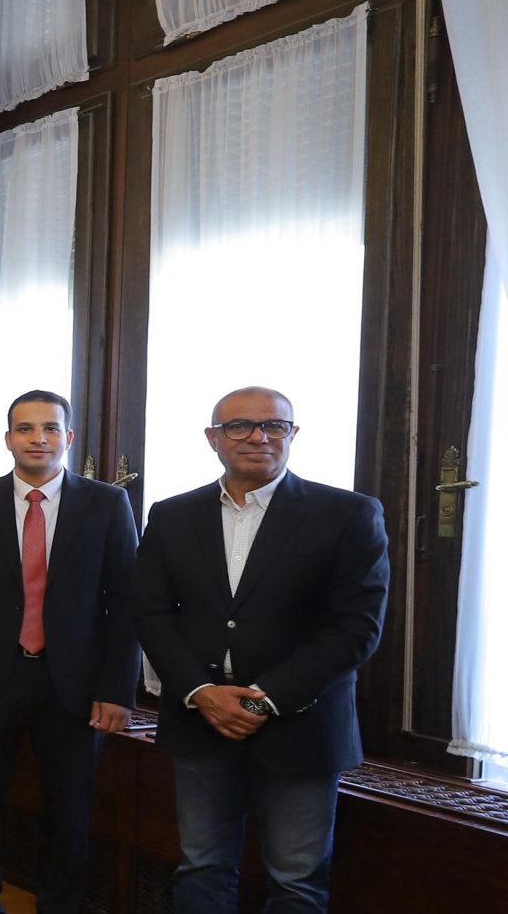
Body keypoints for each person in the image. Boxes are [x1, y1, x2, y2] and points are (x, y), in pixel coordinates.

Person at [134, 387, 388, 914]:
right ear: (213, 438)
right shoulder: (173, 514)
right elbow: (151, 615)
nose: (258, 436)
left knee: (297, 879)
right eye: (239, 426)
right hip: (200, 720)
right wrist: (201, 692)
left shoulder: (347, 514)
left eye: (274, 425)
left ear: (293, 434)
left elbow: (356, 627)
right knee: (201, 865)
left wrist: (263, 698)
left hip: (303, 723)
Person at [0, 389, 139, 914]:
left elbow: (127, 600)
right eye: (25, 428)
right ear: (8, 439)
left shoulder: (106, 504)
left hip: (74, 684)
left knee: (69, 810)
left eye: (49, 428)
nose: (38, 438)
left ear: (68, 437)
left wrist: (118, 688)